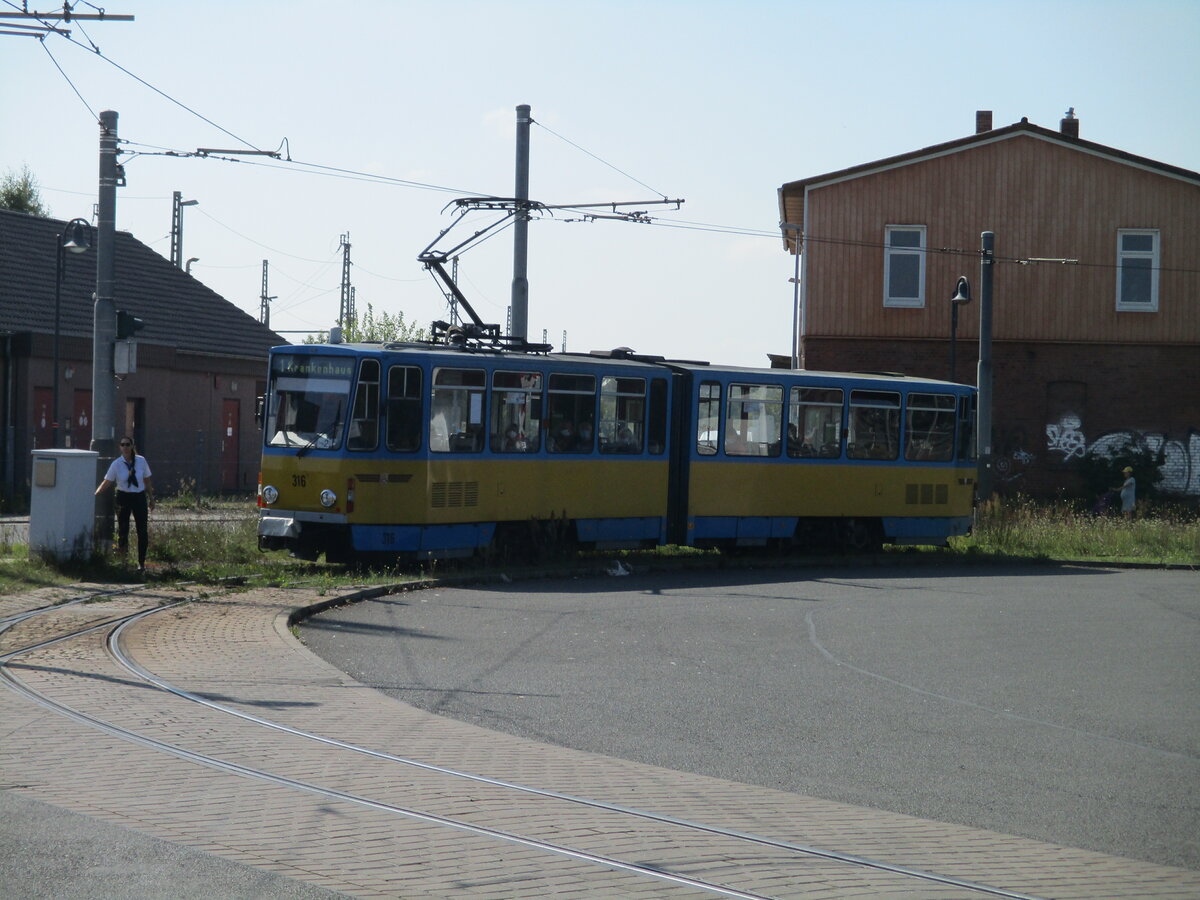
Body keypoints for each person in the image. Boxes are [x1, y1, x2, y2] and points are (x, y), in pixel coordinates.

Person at [95, 437, 155, 571]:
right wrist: (96, 494)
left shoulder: (141, 461)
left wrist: (151, 498)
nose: (125, 447)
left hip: (138, 496)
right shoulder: (117, 464)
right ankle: (123, 561)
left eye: (128, 444)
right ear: (120, 447)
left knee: (142, 530)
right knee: (123, 529)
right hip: (123, 496)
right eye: (123, 445)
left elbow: (147, 480)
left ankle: (141, 562)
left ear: (132, 446)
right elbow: (107, 481)